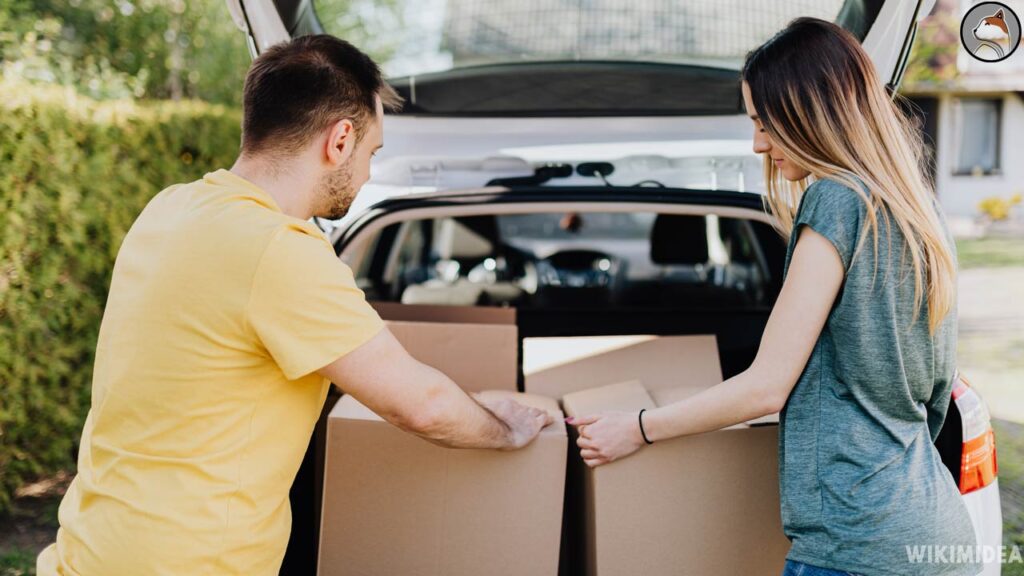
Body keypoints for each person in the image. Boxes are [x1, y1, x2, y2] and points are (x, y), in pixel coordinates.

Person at [36, 35, 552, 576]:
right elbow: (418, 404)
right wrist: (506, 429)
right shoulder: (279, 251)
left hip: (91, 546)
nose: (369, 172)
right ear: (340, 139)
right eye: (372, 152)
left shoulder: (170, 207)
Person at [567, 18, 980, 576]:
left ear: (812, 113)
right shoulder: (919, 213)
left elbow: (766, 387)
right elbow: (933, 396)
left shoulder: (836, 200)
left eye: (766, 123)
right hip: (935, 529)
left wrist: (635, 427)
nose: (758, 143)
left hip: (856, 546)